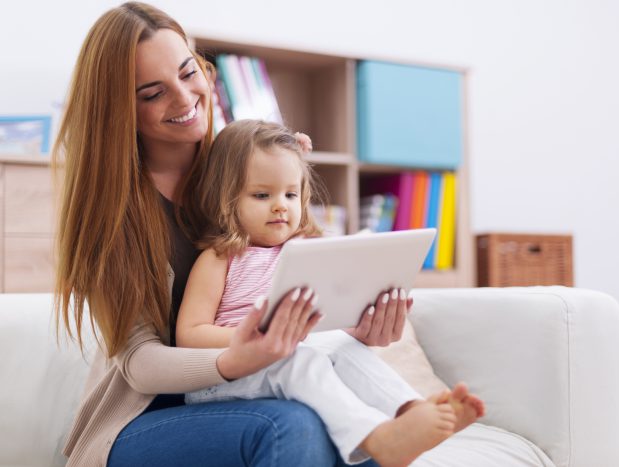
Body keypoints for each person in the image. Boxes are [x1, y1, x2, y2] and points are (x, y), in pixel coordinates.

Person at [52, 3, 417, 466]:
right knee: (293, 425)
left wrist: (355, 327)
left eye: (189, 73)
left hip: (258, 383)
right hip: (143, 420)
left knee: (356, 423)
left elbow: (304, 287)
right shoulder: (112, 212)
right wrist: (234, 359)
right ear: (118, 110)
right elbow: (140, 364)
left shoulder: (252, 171)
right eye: (152, 93)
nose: (184, 99)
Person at [175, 119, 486, 466]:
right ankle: (376, 437)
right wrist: (253, 340)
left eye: (290, 194)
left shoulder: (306, 252)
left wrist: (358, 325)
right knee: (298, 358)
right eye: (262, 195)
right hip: (222, 382)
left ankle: (411, 411)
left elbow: (324, 329)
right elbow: (188, 335)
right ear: (225, 198)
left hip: (287, 359)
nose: (281, 206)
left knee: (343, 346)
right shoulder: (219, 258)